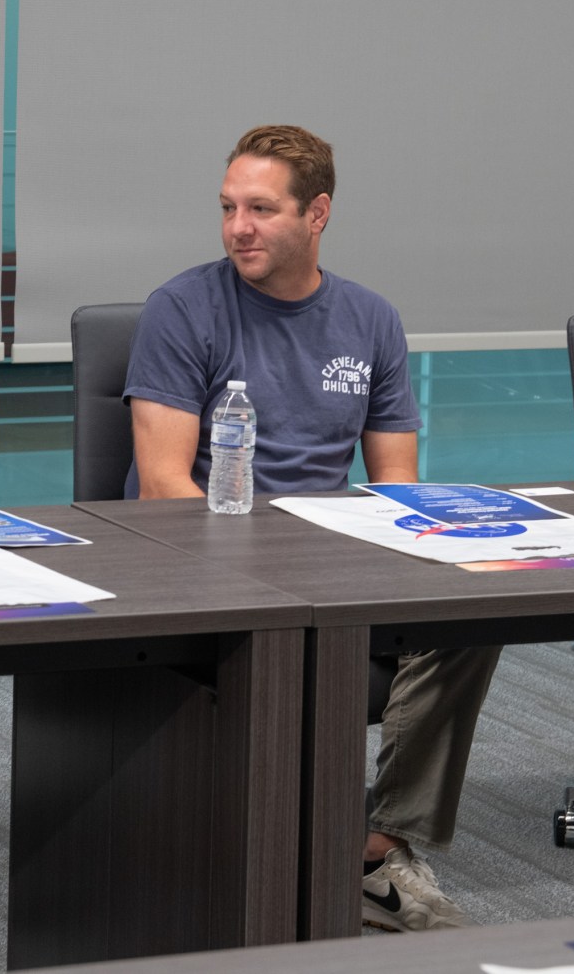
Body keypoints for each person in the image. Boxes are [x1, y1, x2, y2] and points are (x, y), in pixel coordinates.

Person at [122, 123, 500, 933]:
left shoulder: (369, 319)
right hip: (201, 562)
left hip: (329, 563)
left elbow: (397, 485)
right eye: (227, 207)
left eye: (260, 208)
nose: (237, 228)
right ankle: (249, 862)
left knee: (473, 611)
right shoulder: (182, 308)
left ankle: (377, 847)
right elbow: (163, 487)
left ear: (318, 213)